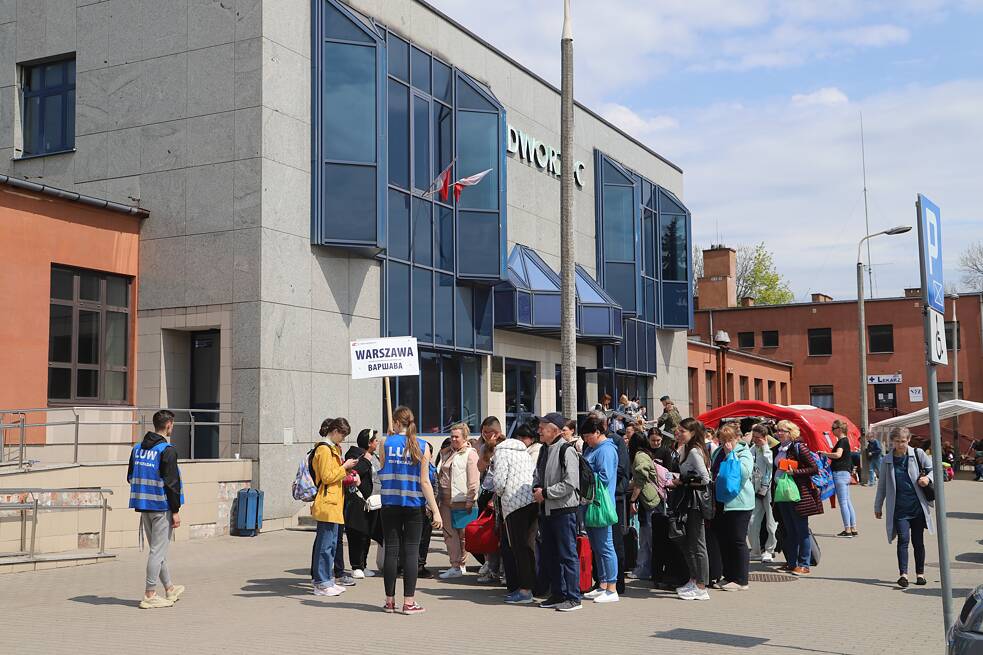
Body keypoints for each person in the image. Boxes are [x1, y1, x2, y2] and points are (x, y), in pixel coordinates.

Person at [380, 406, 442, 615]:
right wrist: (436, 510)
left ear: (397, 422)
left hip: (389, 503)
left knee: (391, 551)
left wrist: (390, 442)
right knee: (411, 552)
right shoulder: (422, 446)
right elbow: (425, 481)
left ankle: (389, 602)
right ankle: (408, 603)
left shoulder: (384, 443)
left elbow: (382, 468)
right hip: (413, 505)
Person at [127, 409, 185, 609]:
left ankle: (169, 588)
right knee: (157, 552)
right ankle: (150, 594)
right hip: (161, 507)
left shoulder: (137, 449)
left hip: (143, 505)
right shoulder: (166, 450)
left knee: (157, 551)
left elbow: (130, 477)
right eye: (172, 425)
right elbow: (172, 484)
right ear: (168, 425)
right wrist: (175, 511)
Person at [532, 412, 582, 612]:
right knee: (551, 554)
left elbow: (571, 482)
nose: (539, 431)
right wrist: (536, 487)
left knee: (567, 554)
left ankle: (573, 597)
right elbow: (537, 473)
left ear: (554, 429)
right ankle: (558, 593)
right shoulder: (545, 449)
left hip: (564, 510)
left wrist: (546, 493)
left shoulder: (566, 450)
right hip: (547, 509)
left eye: (542, 427)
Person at [874, 426, 935, 588]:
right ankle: (903, 575)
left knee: (918, 541)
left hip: (918, 507)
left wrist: (927, 479)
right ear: (891, 442)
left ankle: (920, 574)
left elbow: (933, 470)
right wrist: (878, 506)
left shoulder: (917, 454)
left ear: (908, 440)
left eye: (903, 441)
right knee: (903, 540)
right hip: (899, 509)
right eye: (897, 441)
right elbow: (882, 486)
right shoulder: (887, 460)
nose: (901, 444)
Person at [309, 417, 357, 597]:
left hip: (333, 502)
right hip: (327, 502)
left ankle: (325, 580)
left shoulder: (331, 449)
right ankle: (321, 582)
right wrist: (344, 467)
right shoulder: (323, 449)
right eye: (342, 435)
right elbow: (327, 476)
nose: (343, 439)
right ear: (335, 431)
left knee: (330, 544)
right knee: (325, 545)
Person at [491, 432, 539, 604]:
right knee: (529, 546)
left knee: (518, 548)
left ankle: (525, 591)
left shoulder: (501, 452)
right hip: (532, 501)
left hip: (514, 504)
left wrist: (499, 494)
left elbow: (499, 483)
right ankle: (532, 586)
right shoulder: (524, 452)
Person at [772, 420, 822, 576]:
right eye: (778, 430)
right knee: (789, 530)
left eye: (782, 431)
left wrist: (795, 472)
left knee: (801, 530)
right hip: (782, 494)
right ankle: (792, 562)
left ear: (791, 432)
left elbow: (814, 468)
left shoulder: (799, 447)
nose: (779, 433)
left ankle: (804, 564)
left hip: (798, 494)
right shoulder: (778, 449)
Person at [670, 417, 712, 601]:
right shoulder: (685, 449)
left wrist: (683, 480)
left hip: (695, 501)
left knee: (697, 542)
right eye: (678, 430)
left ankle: (702, 586)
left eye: (682, 431)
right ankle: (694, 579)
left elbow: (705, 478)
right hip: (686, 499)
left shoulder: (695, 451)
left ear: (693, 433)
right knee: (688, 542)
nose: (678, 433)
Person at [709, 424, 754, 591]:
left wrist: (731, 455)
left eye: (730, 439)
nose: (726, 443)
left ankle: (741, 579)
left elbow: (743, 473)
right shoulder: (717, 452)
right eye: (722, 440)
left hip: (739, 503)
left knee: (737, 540)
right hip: (720, 502)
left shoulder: (744, 452)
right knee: (723, 540)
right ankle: (728, 576)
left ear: (737, 438)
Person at [581, 416, 621, 604]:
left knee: (605, 546)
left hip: (601, 504)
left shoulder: (605, 450)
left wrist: (585, 474)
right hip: (591, 503)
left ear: (598, 433)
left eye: (588, 436)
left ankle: (612, 588)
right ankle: (603, 584)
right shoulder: (594, 448)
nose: (586, 440)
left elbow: (604, 477)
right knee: (597, 546)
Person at [437, 423, 479, 579]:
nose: (453, 439)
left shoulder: (470, 454)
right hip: (445, 499)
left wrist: (470, 499)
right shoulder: (447, 453)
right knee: (449, 534)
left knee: (464, 535)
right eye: (452, 436)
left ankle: (462, 564)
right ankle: (455, 565)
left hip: (462, 500)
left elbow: (474, 481)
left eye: (457, 437)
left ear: (465, 438)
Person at [345, 428, 380, 579]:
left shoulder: (373, 456)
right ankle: (356, 566)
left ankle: (363, 565)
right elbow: (354, 471)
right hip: (356, 503)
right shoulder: (355, 455)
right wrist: (366, 459)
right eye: (375, 440)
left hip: (371, 503)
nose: (377, 443)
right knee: (356, 534)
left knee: (366, 535)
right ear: (369, 442)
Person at [818, 420, 858, 537]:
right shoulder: (845, 441)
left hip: (840, 473)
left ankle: (847, 529)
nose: (832, 430)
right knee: (848, 501)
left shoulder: (842, 441)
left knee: (843, 502)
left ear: (839, 429)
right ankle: (853, 527)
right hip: (845, 473)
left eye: (833, 428)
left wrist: (824, 453)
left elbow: (838, 455)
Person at [748, 424, 777, 563]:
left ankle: (769, 550)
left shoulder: (772, 448)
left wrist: (765, 447)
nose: (755, 440)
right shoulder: (753, 448)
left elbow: (772, 464)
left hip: (769, 488)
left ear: (765, 437)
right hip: (756, 488)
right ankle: (755, 550)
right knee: (752, 521)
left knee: (771, 522)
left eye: (758, 437)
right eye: (753, 437)